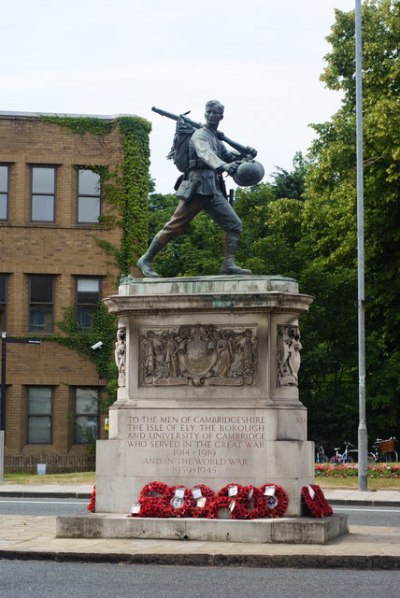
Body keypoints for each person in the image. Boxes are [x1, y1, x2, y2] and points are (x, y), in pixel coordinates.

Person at [137, 100, 257, 277]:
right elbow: (205, 154)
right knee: (174, 227)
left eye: (215, 113)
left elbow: (228, 156)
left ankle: (228, 264)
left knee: (234, 225)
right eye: (208, 112)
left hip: (213, 189)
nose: (211, 115)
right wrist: (223, 166)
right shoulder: (200, 135)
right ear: (205, 114)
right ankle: (145, 259)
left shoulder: (216, 138)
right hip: (197, 187)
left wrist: (245, 155)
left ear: (220, 117)